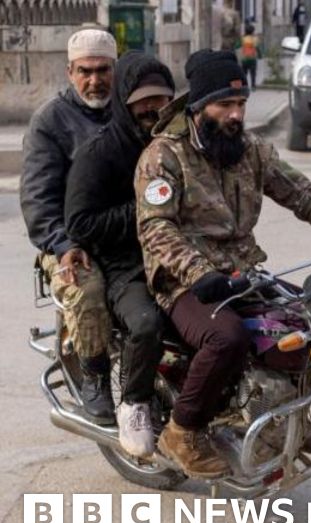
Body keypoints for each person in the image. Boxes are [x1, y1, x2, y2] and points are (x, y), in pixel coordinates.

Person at [134, 50, 311, 478]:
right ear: (199, 107)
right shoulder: (164, 156)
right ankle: (183, 430)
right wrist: (200, 273)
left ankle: (287, 415)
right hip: (185, 282)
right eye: (225, 105)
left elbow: (301, 192)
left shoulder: (249, 149)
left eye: (241, 104)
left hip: (242, 274)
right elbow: (156, 229)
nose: (236, 114)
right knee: (227, 339)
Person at [65, 53, 175, 458]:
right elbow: (80, 223)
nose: (153, 108)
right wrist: (144, 211)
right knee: (146, 323)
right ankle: (134, 404)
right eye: (143, 100)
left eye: (161, 99)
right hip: (125, 266)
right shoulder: (99, 154)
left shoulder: (176, 145)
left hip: (179, 256)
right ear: (125, 101)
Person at [20, 29, 118, 425]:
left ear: (116, 68)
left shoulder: (129, 108)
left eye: (103, 70)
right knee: (88, 289)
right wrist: (62, 245)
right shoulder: (50, 121)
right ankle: (94, 377)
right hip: (70, 243)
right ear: (70, 71)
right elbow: (38, 202)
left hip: (124, 232)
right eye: (85, 71)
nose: (94, 80)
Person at [238, 23, 262, 88]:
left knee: (244, 73)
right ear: (252, 31)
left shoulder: (243, 39)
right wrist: (260, 55)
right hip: (252, 58)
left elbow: (238, 46)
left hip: (244, 58)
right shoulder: (254, 39)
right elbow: (257, 47)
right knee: (253, 73)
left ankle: (244, 85)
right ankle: (253, 86)